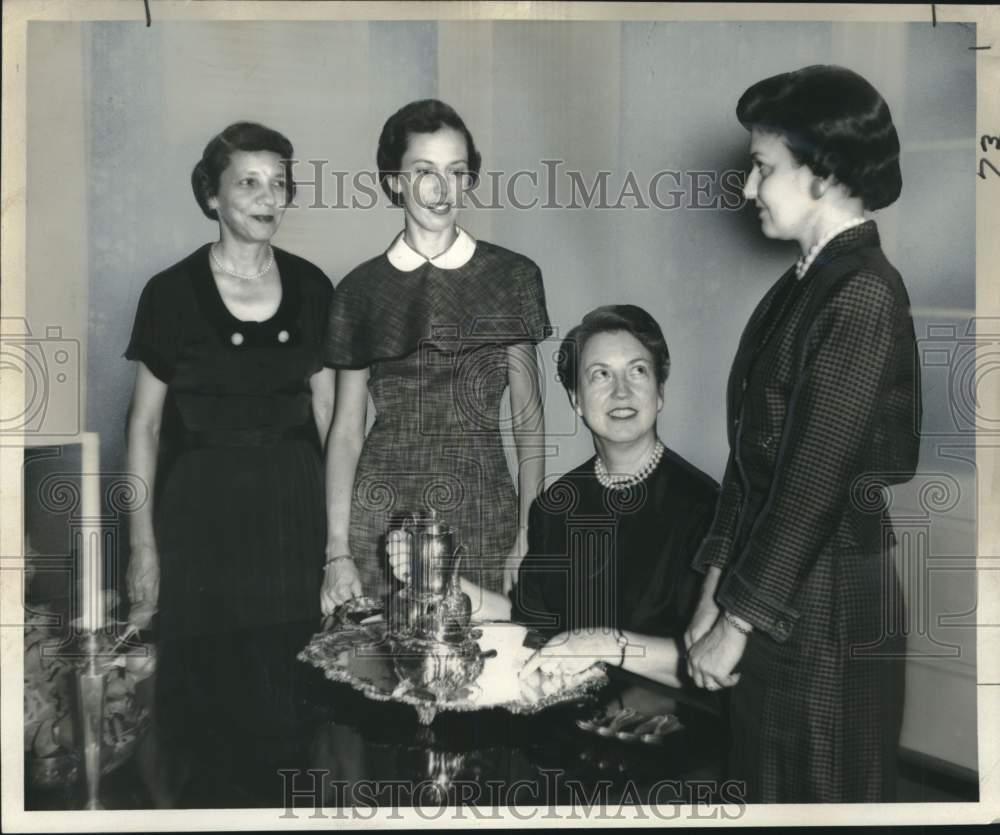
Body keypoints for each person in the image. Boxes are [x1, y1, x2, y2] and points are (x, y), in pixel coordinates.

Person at [685, 65, 921, 803]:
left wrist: (736, 621)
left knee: (819, 799)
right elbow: (752, 468)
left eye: (763, 169)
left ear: (822, 172)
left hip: (829, 614)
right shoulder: (800, 285)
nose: (748, 189)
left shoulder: (861, 293)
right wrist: (711, 597)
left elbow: (811, 487)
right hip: (784, 597)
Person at [124, 122, 335, 775]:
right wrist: (142, 547)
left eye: (279, 183)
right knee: (198, 718)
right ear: (212, 196)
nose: (267, 196)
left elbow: (334, 418)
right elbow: (144, 427)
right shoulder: (169, 292)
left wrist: (339, 546)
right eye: (248, 181)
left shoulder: (314, 289)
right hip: (199, 522)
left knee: (294, 709)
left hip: (292, 519)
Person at [389, 305, 719, 689]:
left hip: (662, 724)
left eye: (638, 371)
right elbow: (531, 621)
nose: (621, 391)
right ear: (577, 400)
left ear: (659, 392)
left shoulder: (707, 508)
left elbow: (708, 659)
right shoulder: (557, 504)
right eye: (600, 375)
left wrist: (605, 645)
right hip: (568, 714)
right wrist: (438, 579)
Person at [322, 99, 548, 609]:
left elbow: (528, 415)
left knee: (486, 666)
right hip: (380, 516)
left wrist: (531, 529)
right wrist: (336, 550)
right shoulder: (358, 290)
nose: (442, 190)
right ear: (394, 180)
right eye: (424, 172)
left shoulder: (512, 277)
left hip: (485, 508)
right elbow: (346, 430)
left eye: (456, 171)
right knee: (380, 671)